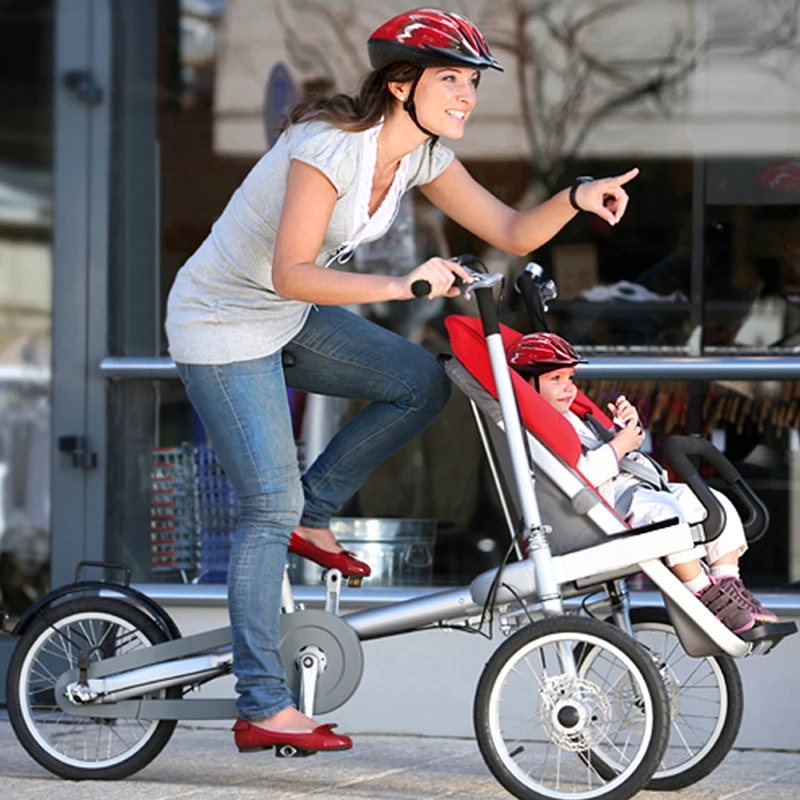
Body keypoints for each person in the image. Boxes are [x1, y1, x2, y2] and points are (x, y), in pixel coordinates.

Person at [165, 7, 640, 755]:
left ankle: (312, 510)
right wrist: (407, 286)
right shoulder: (329, 149)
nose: (466, 96)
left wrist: (576, 197)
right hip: (222, 324)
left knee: (422, 383)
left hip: (286, 316)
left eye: (471, 83)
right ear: (399, 83)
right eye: (451, 79)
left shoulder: (418, 156)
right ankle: (262, 702)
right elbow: (293, 271)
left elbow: (510, 231)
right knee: (266, 504)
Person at [506, 331, 779, 634]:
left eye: (570, 378)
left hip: (636, 487)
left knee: (715, 503)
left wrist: (622, 430)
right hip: (605, 507)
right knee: (667, 517)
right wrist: (619, 445)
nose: (568, 389)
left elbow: (609, 453)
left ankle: (728, 583)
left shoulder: (570, 417)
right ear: (526, 384)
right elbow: (578, 478)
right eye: (555, 379)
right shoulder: (535, 432)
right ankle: (704, 594)